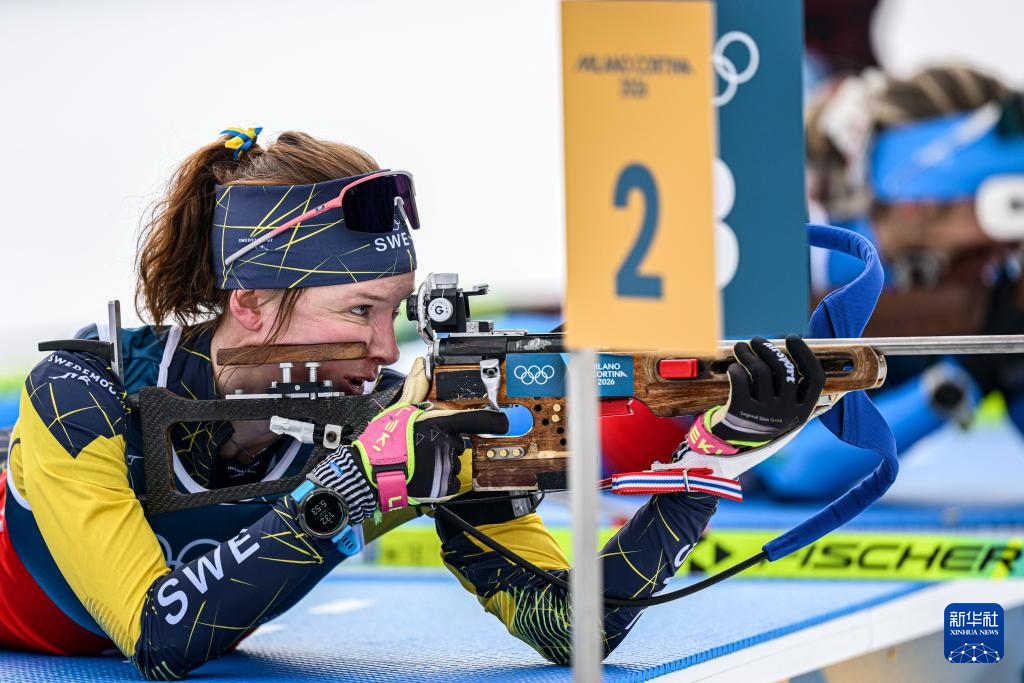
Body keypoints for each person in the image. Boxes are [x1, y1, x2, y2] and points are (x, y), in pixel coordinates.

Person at [0, 128, 824, 678]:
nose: (387, 350)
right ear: (250, 299)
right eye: (359, 310)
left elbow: (571, 629)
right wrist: (352, 489)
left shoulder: (388, 421)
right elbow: (157, 636)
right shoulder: (82, 397)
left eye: (394, 312)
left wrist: (706, 466)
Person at [756, 65, 1024, 499]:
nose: (1006, 245)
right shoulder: (780, 251)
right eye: (1007, 209)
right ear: (921, 204)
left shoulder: (969, 288)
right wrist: (967, 375)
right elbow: (783, 464)